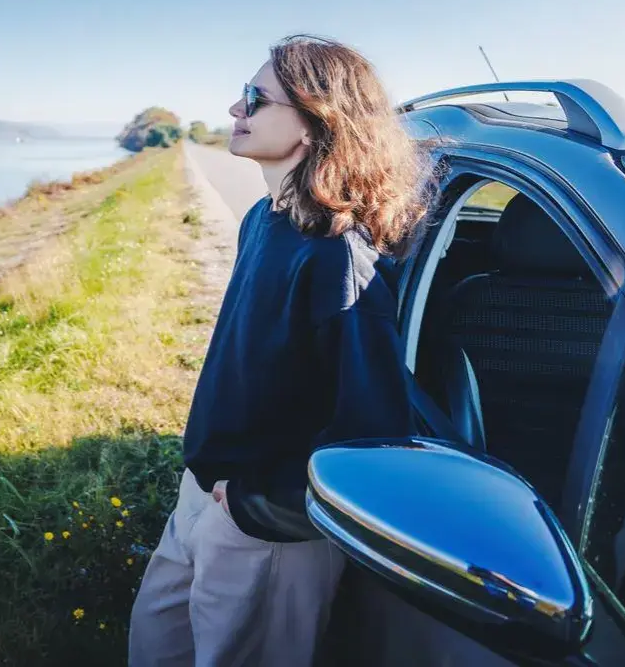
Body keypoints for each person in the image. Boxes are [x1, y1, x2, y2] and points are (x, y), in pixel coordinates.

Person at [127, 35, 436, 666]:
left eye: (253, 98)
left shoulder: (337, 258)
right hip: (206, 491)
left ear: (315, 121)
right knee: (153, 645)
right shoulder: (262, 220)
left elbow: (374, 432)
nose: (234, 111)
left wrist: (253, 500)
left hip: (266, 525)